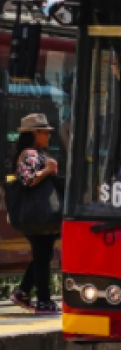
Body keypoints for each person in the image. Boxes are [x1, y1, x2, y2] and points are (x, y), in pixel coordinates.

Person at [9, 113, 61, 315]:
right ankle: (44, 300)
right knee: (42, 256)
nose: (48, 136)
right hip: (36, 215)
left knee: (43, 255)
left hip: (39, 216)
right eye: (44, 133)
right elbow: (27, 180)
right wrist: (47, 170)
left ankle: (23, 291)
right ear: (33, 134)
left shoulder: (36, 153)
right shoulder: (30, 154)